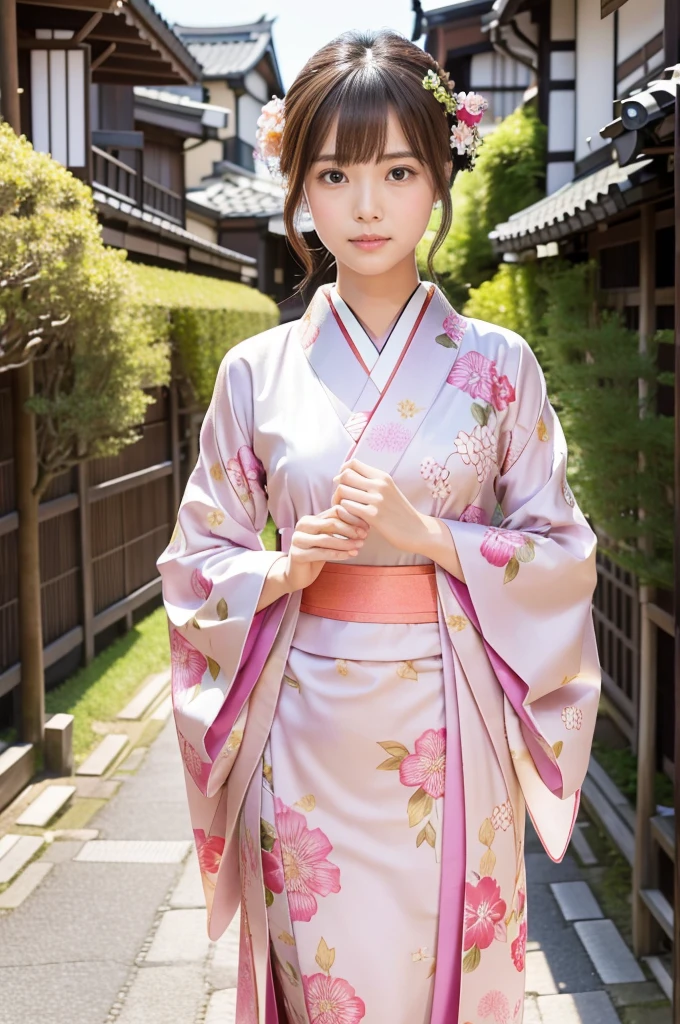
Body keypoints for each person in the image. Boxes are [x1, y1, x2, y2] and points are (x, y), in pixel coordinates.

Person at [157, 28, 601, 1024]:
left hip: (447, 731)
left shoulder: (499, 365)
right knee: (324, 985)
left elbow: (561, 553)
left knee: (444, 963)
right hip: (299, 730)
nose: (365, 205)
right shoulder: (254, 374)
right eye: (335, 172)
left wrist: (432, 535)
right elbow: (196, 565)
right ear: (298, 188)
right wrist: (278, 567)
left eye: (397, 170)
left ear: (438, 177)